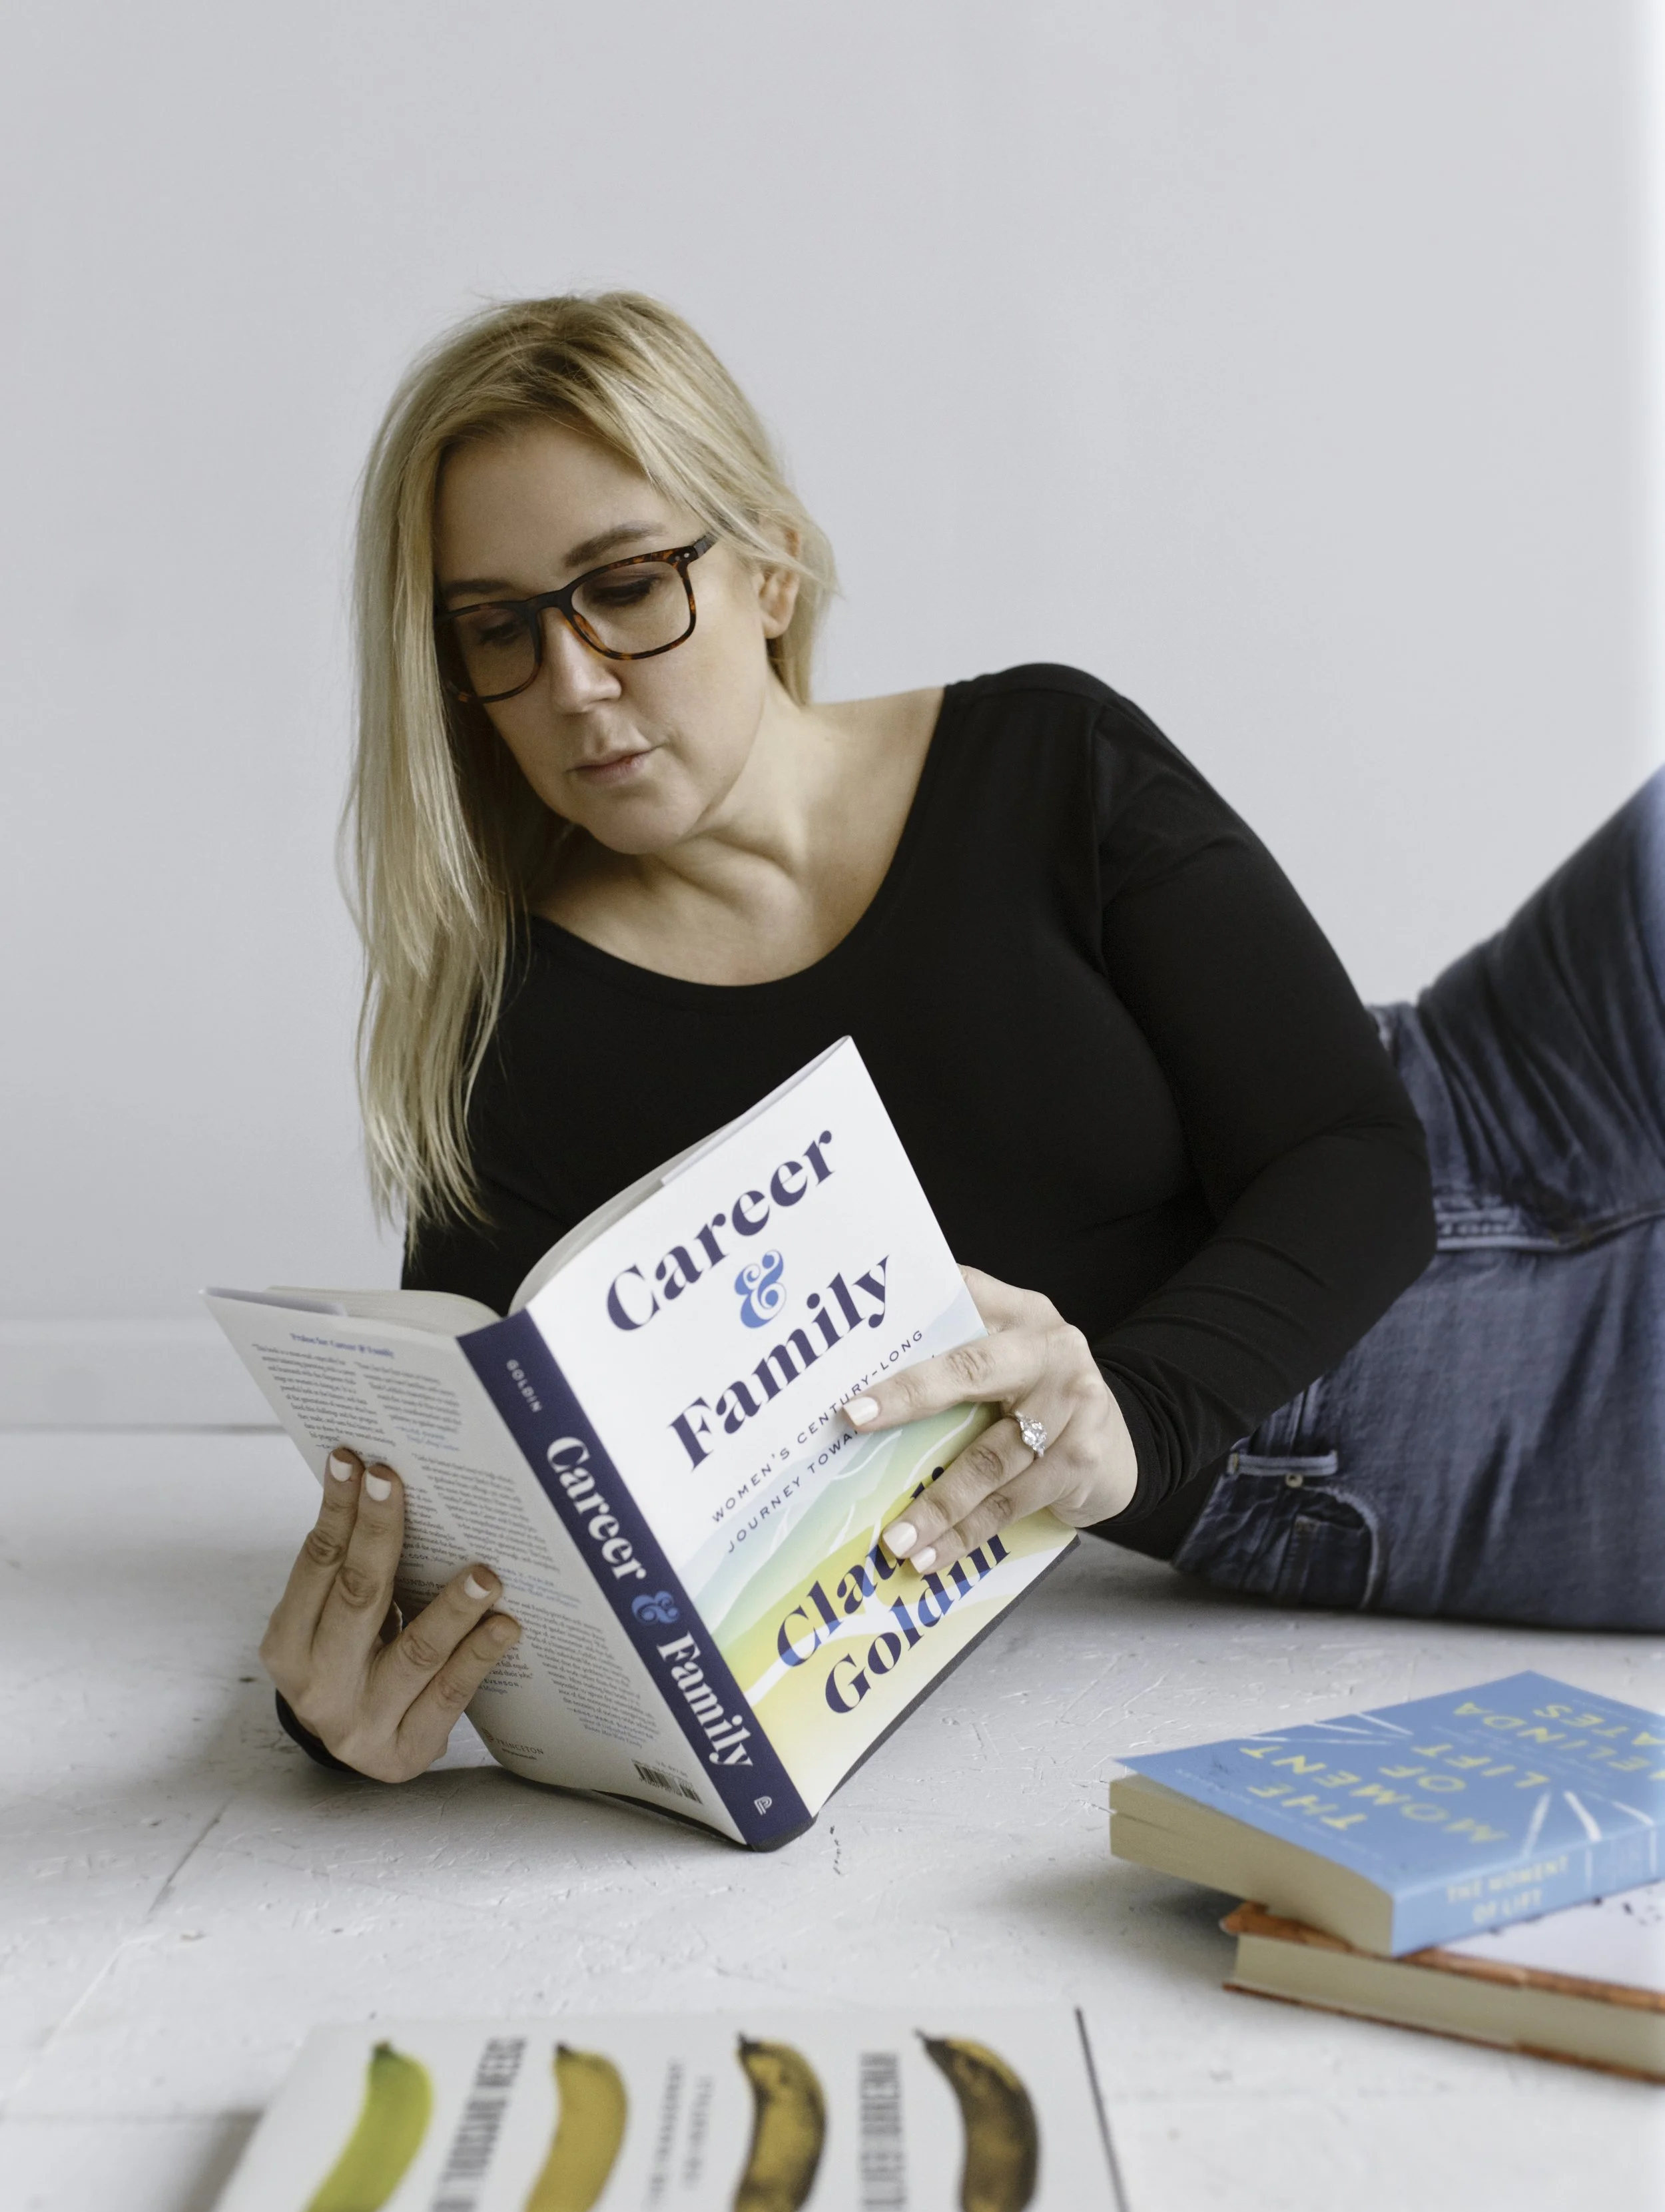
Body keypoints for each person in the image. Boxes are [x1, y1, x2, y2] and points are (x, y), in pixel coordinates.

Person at [262, 292, 1664, 1785]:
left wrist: (1131, 1400)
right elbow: (479, 1517)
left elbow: (1352, 1142)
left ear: (772, 570)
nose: (574, 682)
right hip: (1378, 1432)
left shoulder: (1045, 755)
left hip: (1515, 1069)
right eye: (498, 628)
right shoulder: (517, 1050)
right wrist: (330, 1712)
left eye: (623, 586)